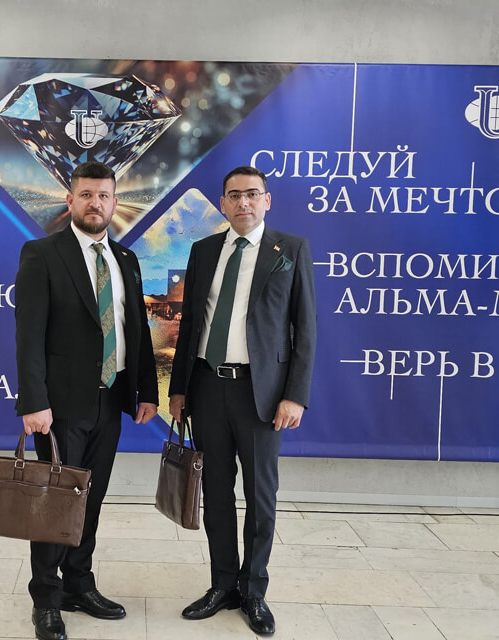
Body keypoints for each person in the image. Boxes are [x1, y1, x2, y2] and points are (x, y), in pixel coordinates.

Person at [169, 166, 316, 636]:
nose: (243, 203)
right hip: (208, 387)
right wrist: (178, 388)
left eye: (253, 194)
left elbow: (305, 330)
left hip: (262, 394)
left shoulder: (290, 249)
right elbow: (189, 326)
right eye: (234, 195)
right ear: (223, 203)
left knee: (259, 496)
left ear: (267, 200)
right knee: (215, 493)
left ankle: (253, 592)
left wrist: (294, 395)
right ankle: (222, 585)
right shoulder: (204, 251)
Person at [15, 161, 159, 640]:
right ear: (70, 200)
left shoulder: (126, 260)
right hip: (59, 407)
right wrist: (34, 401)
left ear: (114, 203)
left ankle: (79, 584)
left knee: (91, 499)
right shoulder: (41, 254)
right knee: (55, 504)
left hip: (111, 400)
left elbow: (136, 329)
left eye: (103, 196)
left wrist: (146, 391)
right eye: (86, 195)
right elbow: (28, 335)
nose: (95, 203)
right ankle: (46, 599)